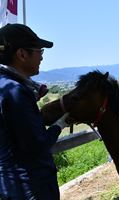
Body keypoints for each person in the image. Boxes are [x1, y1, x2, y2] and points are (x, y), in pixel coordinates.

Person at [0, 23, 70, 200]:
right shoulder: (16, 92)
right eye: (39, 51)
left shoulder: (6, 86)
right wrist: (60, 124)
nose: (41, 58)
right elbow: (37, 145)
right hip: (31, 186)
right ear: (22, 54)